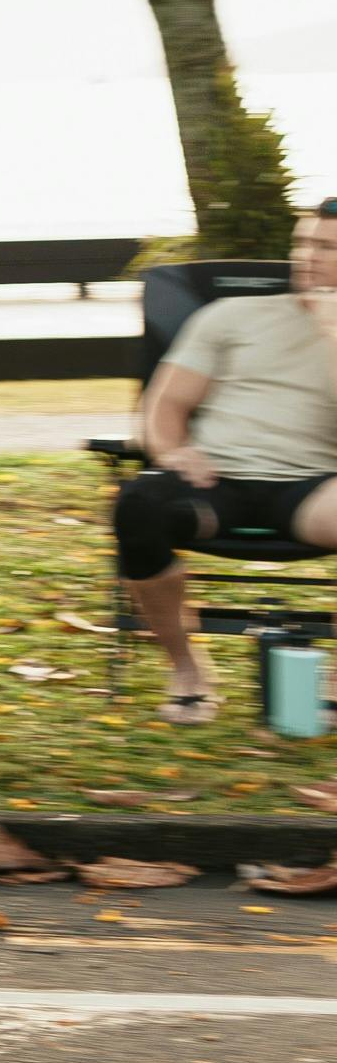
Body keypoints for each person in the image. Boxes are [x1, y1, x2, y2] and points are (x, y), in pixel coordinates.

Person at [119, 203, 337, 726]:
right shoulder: (231, 314)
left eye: (325, 248)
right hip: (216, 481)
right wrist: (172, 452)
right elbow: (164, 405)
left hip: (314, 488)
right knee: (138, 506)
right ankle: (189, 670)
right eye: (302, 242)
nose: (306, 257)